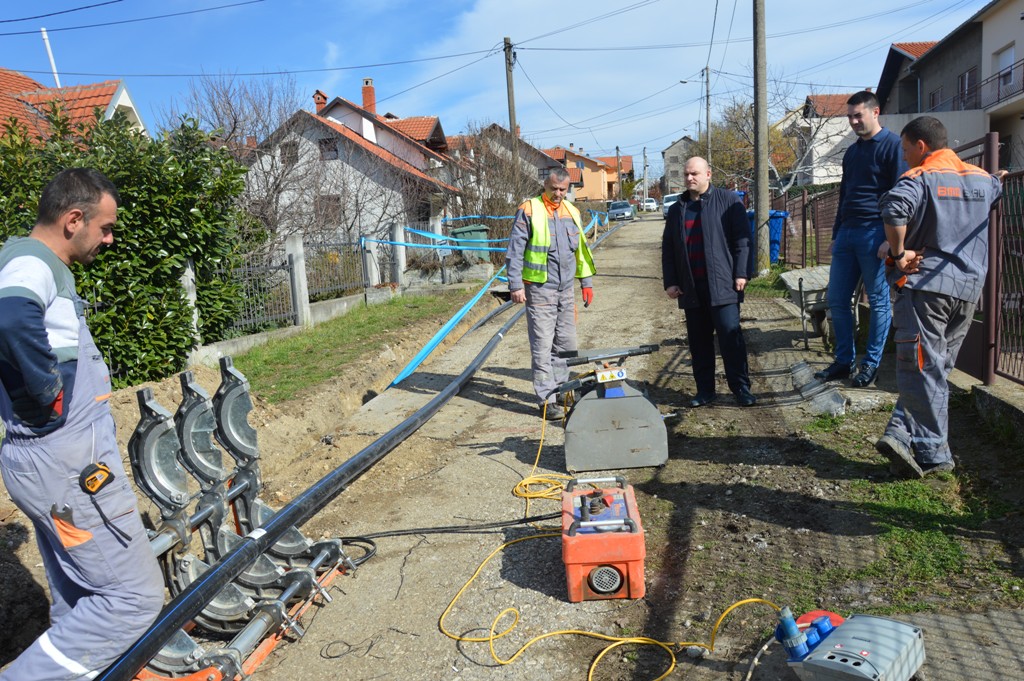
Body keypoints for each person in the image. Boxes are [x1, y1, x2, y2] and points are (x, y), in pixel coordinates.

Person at [0, 169, 164, 680]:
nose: (109, 239)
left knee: (81, 594)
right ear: (74, 219)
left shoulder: (29, 261)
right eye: (106, 227)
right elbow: (9, 318)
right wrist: (48, 396)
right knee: (132, 599)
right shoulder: (31, 262)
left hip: (53, 466)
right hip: (68, 466)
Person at [874, 117, 1004, 478]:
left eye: (904, 150)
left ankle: (935, 455)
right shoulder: (982, 179)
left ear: (921, 146)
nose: (903, 157)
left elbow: (895, 209)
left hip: (926, 288)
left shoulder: (919, 178)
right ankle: (900, 432)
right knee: (936, 368)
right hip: (968, 290)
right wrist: (999, 179)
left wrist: (897, 252)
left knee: (921, 369)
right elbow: (997, 189)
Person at [815, 90, 908, 387]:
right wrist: (836, 233)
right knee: (837, 299)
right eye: (850, 116)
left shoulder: (893, 146)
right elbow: (845, 195)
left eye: (859, 115)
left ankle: (869, 365)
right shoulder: (853, 151)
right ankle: (844, 361)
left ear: (875, 112)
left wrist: (891, 240)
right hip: (847, 233)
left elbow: (902, 194)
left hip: (876, 233)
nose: (853, 121)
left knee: (879, 301)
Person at [662, 157, 756, 408]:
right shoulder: (677, 208)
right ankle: (705, 390)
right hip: (691, 287)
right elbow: (669, 248)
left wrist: (741, 273)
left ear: (708, 174)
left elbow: (743, 241)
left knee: (730, 338)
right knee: (699, 343)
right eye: (686, 174)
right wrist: (670, 281)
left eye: (694, 173)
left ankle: (741, 388)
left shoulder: (728, 201)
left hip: (723, 284)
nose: (689, 178)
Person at [506, 167, 596, 419]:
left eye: (562, 190)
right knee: (543, 346)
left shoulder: (572, 211)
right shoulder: (529, 210)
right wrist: (515, 285)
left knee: (567, 345)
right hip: (539, 290)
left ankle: (562, 391)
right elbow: (515, 251)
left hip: (565, 290)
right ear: (544, 185)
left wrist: (585, 283)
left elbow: (580, 251)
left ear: (568, 189)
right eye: (553, 188)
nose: (557, 194)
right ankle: (546, 400)